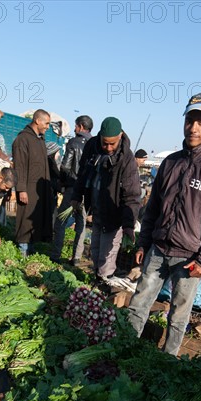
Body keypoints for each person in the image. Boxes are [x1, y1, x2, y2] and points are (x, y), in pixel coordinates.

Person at [127, 93, 201, 356]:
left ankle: (169, 362)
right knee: (138, 305)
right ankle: (125, 350)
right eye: (190, 120)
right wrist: (144, 242)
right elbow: (152, 208)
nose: (194, 127)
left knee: (178, 316)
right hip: (158, 249)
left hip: (190, 258)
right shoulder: (170, 162)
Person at [71, 116, 141, 282]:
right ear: (100, 136)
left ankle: (104, 284)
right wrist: (76, 195)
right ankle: (97, 279)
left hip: (114, 213)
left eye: (112, 144)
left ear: (120, 137)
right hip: (96, 209)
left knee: (107, 255)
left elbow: (132, 195)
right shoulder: (91, 147)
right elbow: (82, 173)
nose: (108, 148)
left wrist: (129, 225)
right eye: (105, 143)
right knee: (95, 250)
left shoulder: (127, 159)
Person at [50, 115, 93, 266]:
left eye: (75, 126)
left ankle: (55, 256)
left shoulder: (73, 142)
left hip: (72, 189)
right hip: (87, 192)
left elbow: (65, 166)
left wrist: (63, 183)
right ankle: (76, 258)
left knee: (61, 221)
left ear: (81, 126)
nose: (74, 129)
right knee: (81, 223)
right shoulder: (94, 144)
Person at [12, 109, 53, 256]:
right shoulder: (22, 139)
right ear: (37, 120)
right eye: (46, 123)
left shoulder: (40, 139)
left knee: (35, 219)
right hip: (27, 188)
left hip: (39, 190)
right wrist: (21, 189)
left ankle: (32, 249)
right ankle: (23, 252)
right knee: (25, 220)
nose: (48, 127)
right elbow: (19, 166)